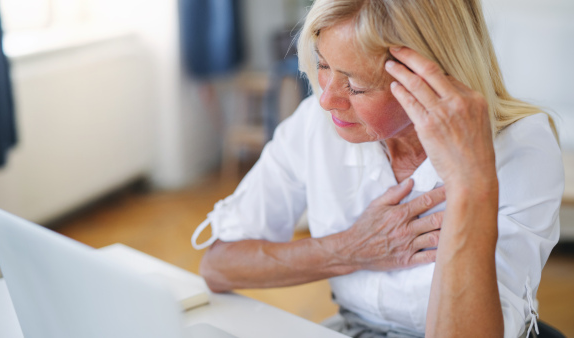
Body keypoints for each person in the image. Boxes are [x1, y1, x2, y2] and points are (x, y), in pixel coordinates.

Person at [191, 0, 564, 337]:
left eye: (355, 85)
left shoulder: (521, 148)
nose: (326, 100)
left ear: (430, 79)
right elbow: (219, 265)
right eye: (323, 65)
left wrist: (470, 182)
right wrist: (350, 249)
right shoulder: (315, 126)